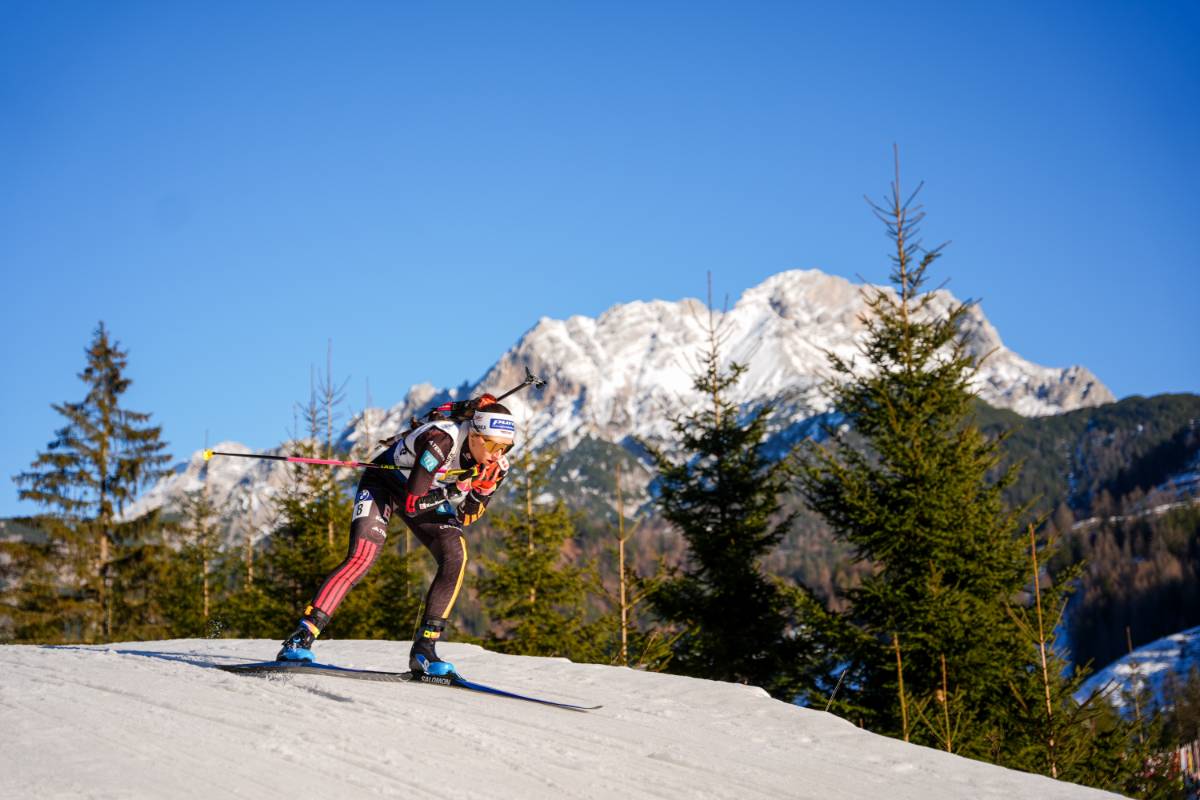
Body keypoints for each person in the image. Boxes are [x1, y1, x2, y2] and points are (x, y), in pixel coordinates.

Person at [276, 395, 516, 676]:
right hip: (385, 484)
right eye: (492, 445)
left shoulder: (496, 465)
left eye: (506, 447)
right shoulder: (441, 440)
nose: (497, 454)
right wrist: (454, 490)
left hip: (429, 494)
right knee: (362, 556)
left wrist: (482, 491)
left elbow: (465, 517)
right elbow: (413, 502)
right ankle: (301, 636)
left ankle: (425, 649)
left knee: (456, 554)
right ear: (474, 435)